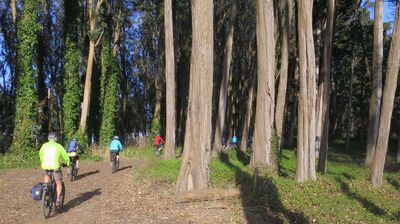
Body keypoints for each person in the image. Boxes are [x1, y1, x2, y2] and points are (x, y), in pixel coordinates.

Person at [39, 132, 70, 208]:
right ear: (56, 138)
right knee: (59, 182)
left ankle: (46, 192)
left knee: (47, 179)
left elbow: (40, 154)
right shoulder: (58, 146)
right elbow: (65, 156)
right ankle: (58, 199)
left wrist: (43, 161)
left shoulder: (44, 145)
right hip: (55, 166)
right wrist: (67, 163)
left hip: (45, 165)